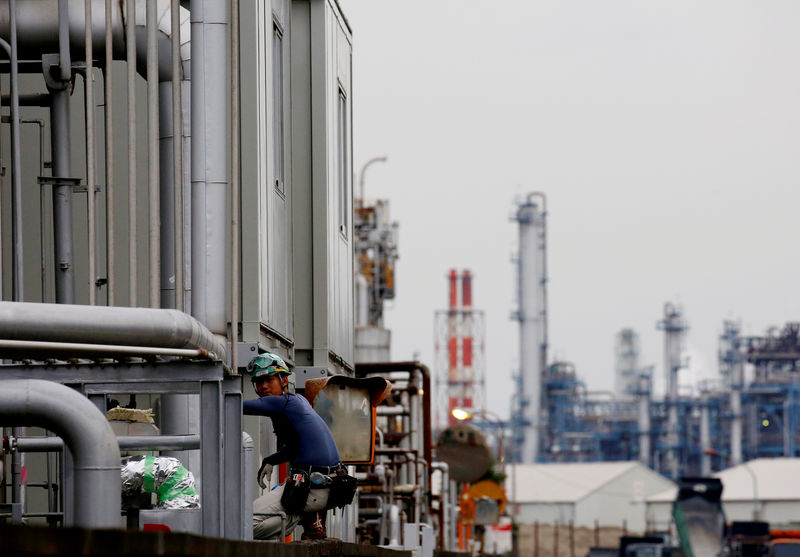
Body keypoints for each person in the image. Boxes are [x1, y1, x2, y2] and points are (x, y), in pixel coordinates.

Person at [243, 352, 342, 540]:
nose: (263, 386)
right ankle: (307, 514)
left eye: (268, 379)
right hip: (325, 485)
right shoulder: (298, 402)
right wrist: (271, 459)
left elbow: (236, 405)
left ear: (284, 380)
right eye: (258, 381)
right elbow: (297, 448)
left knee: (244, 523)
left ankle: (300, 513)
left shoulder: (283, 403)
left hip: (311, 488)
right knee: (253, 524)